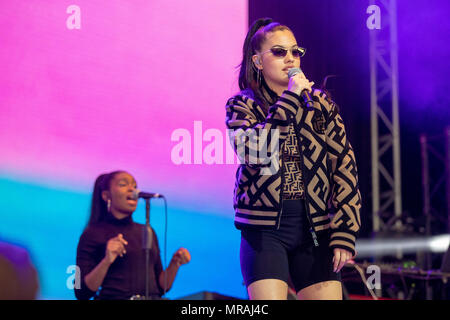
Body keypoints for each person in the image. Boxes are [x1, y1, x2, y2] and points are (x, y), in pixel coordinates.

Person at [225, 18, 362, 300]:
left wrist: (345, 231)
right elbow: (255, 152)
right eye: (278, 51)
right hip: (264, 232)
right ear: (258, 61)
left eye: (295, 51)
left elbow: (344, 166)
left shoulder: (320, 103)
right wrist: (289, 98)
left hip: (315, 229)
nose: (290, 58)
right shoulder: (242, 105)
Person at [75, 170, 191, 300]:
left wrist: (175, 263)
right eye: (123, 184)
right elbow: (81, 291)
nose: (132, 189)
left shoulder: (147, 231)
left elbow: (160, 287)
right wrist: (107, 260)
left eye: (135, 186)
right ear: (106, 196)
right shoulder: (92, 233)